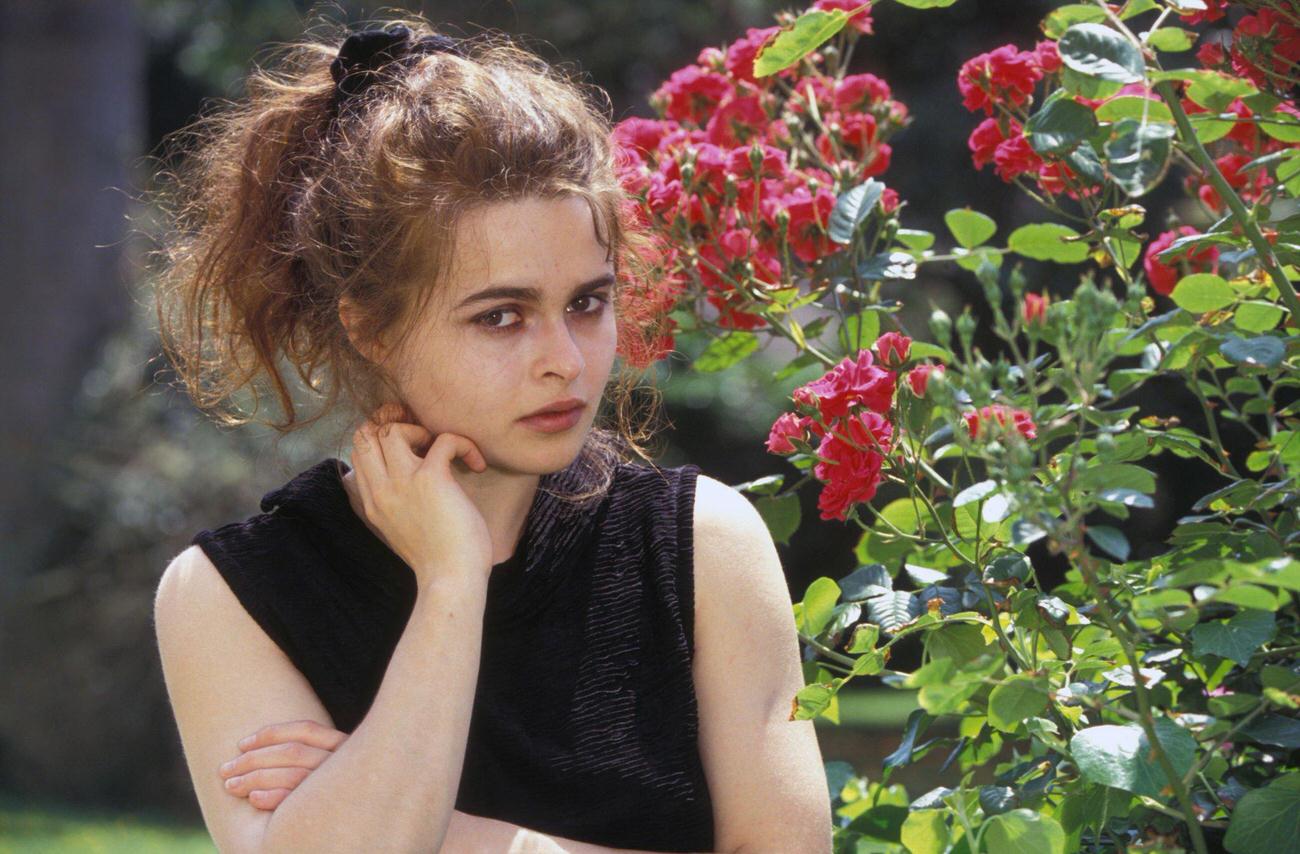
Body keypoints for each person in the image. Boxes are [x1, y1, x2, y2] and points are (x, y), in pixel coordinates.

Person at [148, 14, 831, 853]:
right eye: (501, 317)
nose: (564, 361)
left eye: (587, 302)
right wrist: (450, 582)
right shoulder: (229, 595)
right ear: (371, 329)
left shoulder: (702, 545)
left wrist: (448, 835)